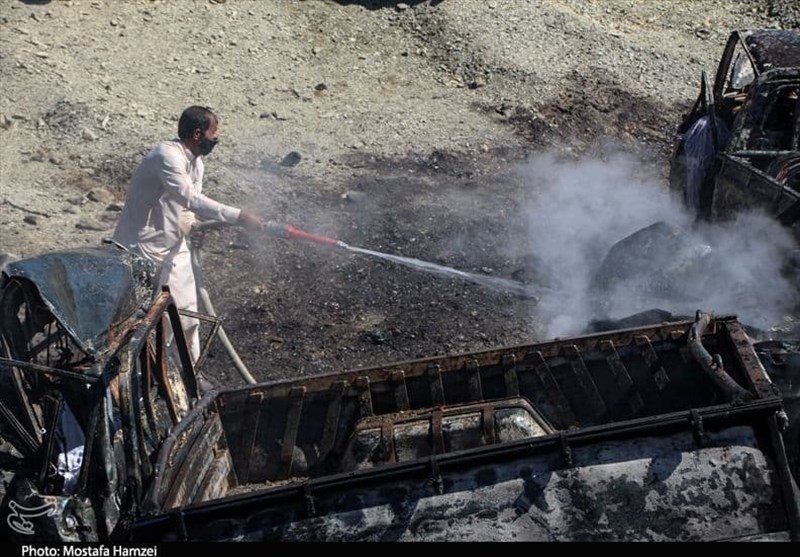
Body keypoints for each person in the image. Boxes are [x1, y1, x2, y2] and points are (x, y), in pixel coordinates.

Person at [112, 105, 264, 367]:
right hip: (142, 249)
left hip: (174, 247)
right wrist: (238, 216)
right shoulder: (166, 156)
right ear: (197, 134)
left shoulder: (197, 163)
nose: (217, 137)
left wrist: (192, 226)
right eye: (213, 131)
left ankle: (189, 376)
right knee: (141, 322)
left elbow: (185, 209)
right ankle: (139, 374)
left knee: (188, 319)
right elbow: (189, 197)